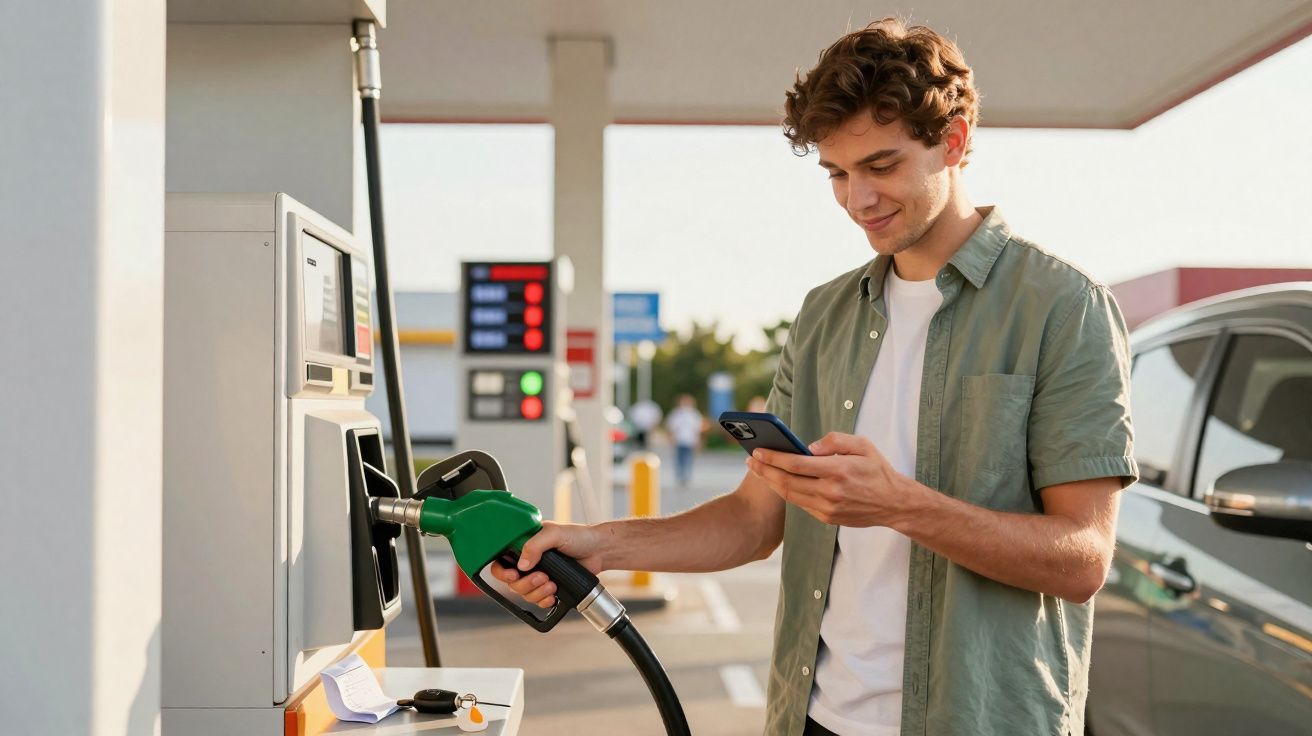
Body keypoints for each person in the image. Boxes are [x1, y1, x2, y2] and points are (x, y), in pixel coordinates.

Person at [492, 18, 1135, 736]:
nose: (858, 199)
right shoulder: (825, 315)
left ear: (952, 143)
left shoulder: (1063, 309)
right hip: (816, 719)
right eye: (837, 172)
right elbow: (750, 520)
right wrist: (601, 545)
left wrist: (899, 505)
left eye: (882, 166)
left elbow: (1082, 558)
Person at [663, 394, 705, 486]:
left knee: (688, 459)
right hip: (680, 440)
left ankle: (686, 477)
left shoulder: (694, 414)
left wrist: (698, 441)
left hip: (690, 440)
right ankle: (680, 477)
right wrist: (672, 438)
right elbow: (672, 428)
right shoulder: (676, 414)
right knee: (679, 459)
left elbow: (698, 429)